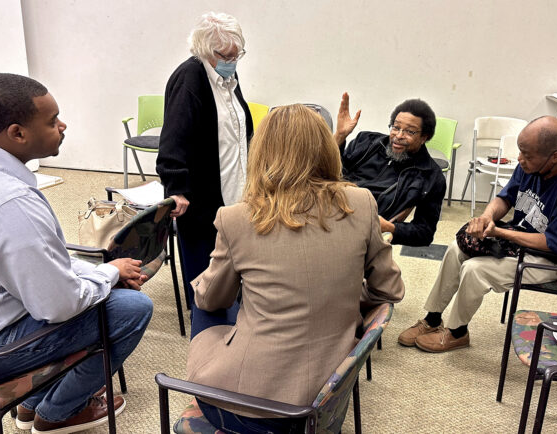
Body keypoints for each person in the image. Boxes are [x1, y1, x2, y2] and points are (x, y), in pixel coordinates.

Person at [186, 104, 404, 433]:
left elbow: (212, 301)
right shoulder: (361, 203)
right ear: (327, 149)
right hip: (327, 399)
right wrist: (338, 291)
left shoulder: (237, 217)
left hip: (247, 410)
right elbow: (390, 290)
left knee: (203, 299)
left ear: (260, 153)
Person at [0, 73, 153, 433]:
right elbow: (58, 305)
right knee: (131, 308)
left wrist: (101, 273)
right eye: (52, 121)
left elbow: (37, 264)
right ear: (17, 133)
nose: (63, 125)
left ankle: (32, 403)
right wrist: (111, 274)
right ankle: (58, 412)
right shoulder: (9, 203)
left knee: (98, 280)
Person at [398, 116, 557, 353]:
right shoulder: (533, 163)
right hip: (523, 238)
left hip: (556, 258)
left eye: (527, 155)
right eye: (520, 151)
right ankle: (432, 320)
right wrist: (487, 218)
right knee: (456, 248)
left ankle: (457, 333)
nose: (519, 159)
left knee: (475, 269)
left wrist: (501, 233)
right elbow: (505, 197)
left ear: (555, 156)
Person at [156, 12, 253, 336]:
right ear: (204, 51)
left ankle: (230, 315)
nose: (232, 61)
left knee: (232, 257)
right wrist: (176, 186)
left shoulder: (227, 79)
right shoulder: (191, 79)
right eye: (224, 56)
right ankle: (209, 336)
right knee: (206, 267)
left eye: (236, 54)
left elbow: (239, 130)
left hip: (231, 186)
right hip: (202, 195)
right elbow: (173, 138)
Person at [335, 93, 447, 247]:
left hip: (362, 235)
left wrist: (390, 228)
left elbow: (424, 233)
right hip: (328, 211)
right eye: (396, 127)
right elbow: (329, 172)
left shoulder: (430, 176)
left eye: (410, 131)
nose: (398, 136)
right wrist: (339, 137)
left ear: (424, 137)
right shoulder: (366, 141)